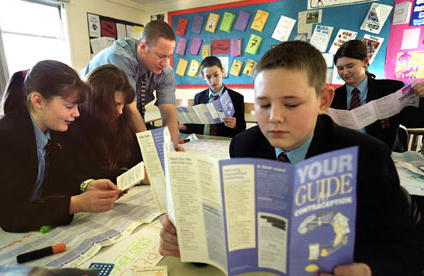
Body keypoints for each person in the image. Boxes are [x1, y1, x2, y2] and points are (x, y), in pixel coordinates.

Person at [159, 41, 424, 276]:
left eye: (291, 104)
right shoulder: (245, 146)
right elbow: (241, 231)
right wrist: (194, 245)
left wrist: (366, 270)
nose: (274, 117)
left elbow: (404, 250)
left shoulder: (367, 157)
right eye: (263, 104)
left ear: (323, 100)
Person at [0, 60, 126, 232]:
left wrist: (86, 185)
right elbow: (9, 213)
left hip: (14, 219)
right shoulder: (0, 140)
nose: (77, 113)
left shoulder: (53, 130)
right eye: (69, 106)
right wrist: (75, 204)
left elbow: (61, 176)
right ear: (38, 101)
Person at [81, 20, 183, 151]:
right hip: (88, 120)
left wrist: (172, 148)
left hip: (119, 120)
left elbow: (169, 111)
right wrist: (151, 151)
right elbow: (129, 108)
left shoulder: (165, 71)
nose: (165, 63)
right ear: (143, 47)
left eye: (169, 56)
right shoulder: (120, 57)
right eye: (161, 56)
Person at [332, 39, 424, 152]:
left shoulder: (390, 89)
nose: (345, 72)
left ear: (365, 62)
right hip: (346, 155)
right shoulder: (333, 96)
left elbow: (414, 120)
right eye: (340, 68)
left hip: (383, 155)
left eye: (350, 66)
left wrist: (421, 97)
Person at [64, 64, 147, 182]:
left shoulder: (121, 118)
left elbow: (133, 157)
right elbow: (84, 174)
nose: (120, 111)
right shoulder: (74, 126)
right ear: (96, 101)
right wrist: (133, 175)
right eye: (116, 104)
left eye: (123, 104)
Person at [179, 56, 246, 137]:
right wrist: (182, 126)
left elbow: (242, 127)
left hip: (225, 142)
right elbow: (196, 126)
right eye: (208, 77)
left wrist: (235, 125)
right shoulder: (199, 97)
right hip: (203, 141)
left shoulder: (236, 97)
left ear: (222, 71)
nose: (213, 80)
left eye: (216, 75)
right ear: (202, 76)